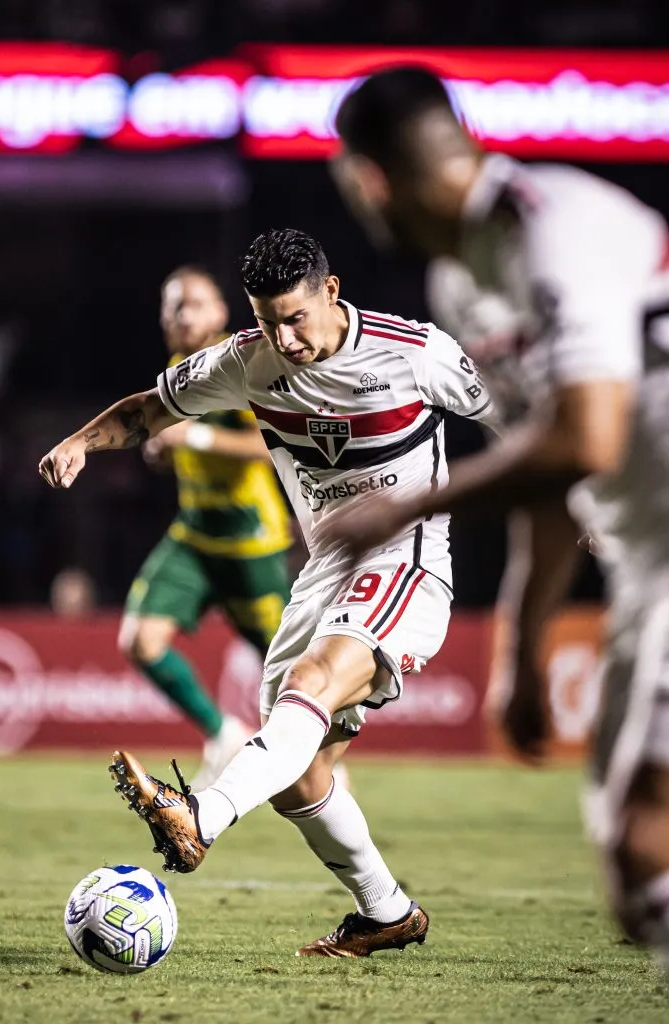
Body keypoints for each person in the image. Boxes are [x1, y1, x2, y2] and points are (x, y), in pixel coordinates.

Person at [40, 228, 498, 957]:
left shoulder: (414, 352)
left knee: (310, 685)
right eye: (267, 321)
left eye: (295, 318)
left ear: (331, 292)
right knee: (298, 774)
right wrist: (78, 443)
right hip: (323, 573)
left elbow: (522, 418)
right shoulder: (245, 360)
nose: (284, 339)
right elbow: (147, 411)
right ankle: (385, 911)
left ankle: (200, 815)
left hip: (406, 561)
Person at [330, 65, 669, 972]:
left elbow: (583, 438)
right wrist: (520, 653)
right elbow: (546, 475)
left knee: (646, 848)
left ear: (368, 181)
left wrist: (403, 508)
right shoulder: (460, 286)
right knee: (634, 878)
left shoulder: (551, 223)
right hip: (645, 563)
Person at [118, 266, 293, 789]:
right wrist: (162, 452)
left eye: (193, 303)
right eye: (172, 306)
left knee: (288, 671)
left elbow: (272, 445)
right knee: (139, 640)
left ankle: (321, 768)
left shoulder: (242, 367)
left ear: (220, 312)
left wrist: (192, 439)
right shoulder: (177, 371)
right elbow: (177, 444)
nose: (180, 315)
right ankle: (224, 735)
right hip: (195, 537)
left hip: (251, 544)